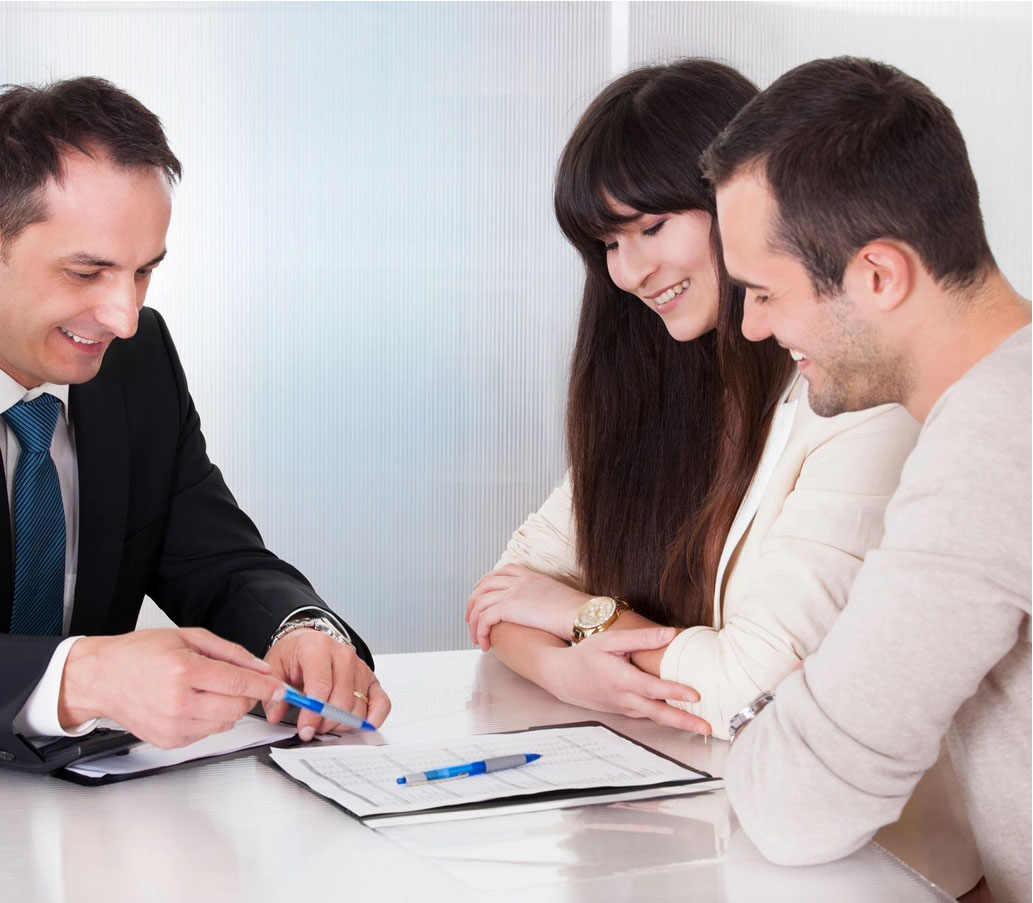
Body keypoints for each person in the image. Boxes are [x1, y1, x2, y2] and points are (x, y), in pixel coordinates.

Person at [465, 60, 979, 896]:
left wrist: (582, 620)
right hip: (694, 826)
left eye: (652, 225)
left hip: (863, 866)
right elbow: (504, 590)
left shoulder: (855, 392)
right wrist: (567, 668)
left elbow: (754, 686)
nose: (627, 272)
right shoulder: (658, 389)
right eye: (606, 243)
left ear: (748, 204)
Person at [704, 56, 1031, 902]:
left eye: (765, 292)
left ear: (878, 275)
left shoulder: (996, 439)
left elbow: (797, 806)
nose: (749, 326)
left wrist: (756, 720)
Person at [0, 76, 390, 760]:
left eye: (144, 271)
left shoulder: (137, 362)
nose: (124, 317)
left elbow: (216, 561)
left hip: (85, 827)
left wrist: (299, 632)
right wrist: (78, 677)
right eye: (86, 273)